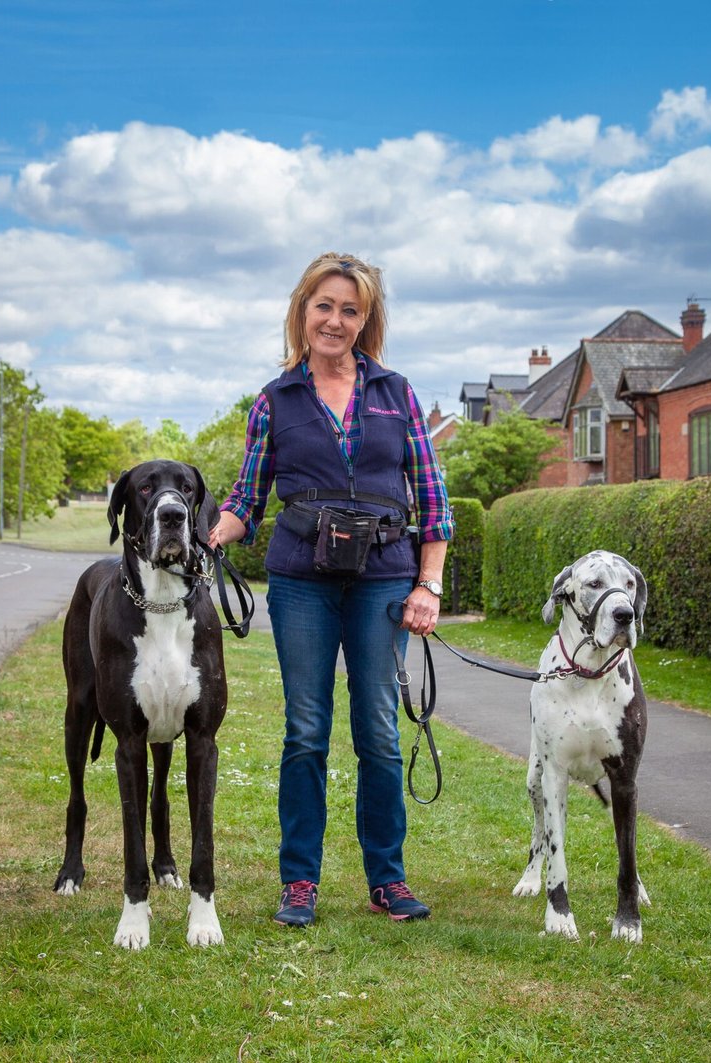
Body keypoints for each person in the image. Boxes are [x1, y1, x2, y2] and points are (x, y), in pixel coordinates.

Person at [209, 252, 453, 928]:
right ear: (303, 310)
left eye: (350, 309)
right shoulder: (275, 399)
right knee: (306, 730)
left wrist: (427, 583)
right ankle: (300, 881)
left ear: (366, 319)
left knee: (377, 730)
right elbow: (246, 499)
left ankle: (388, 878)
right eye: (325, 306)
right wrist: (209, 536)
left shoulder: (396, 394)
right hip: (300, 583)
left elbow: (433, 500)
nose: (335, 320)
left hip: (383, 580)